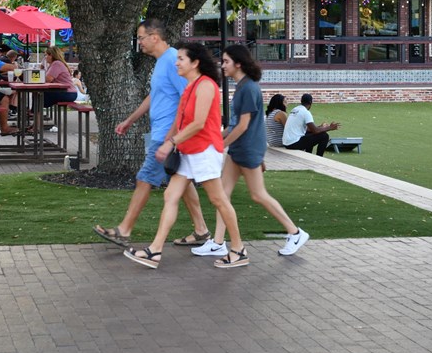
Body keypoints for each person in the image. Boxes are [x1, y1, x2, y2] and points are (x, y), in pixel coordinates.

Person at [124, 42, 247, 269]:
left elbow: (199, 123)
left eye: (181, 59)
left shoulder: (206, 85)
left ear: (195, 62)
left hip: (204, 151)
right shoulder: (190, 86)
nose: (176, 63)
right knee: (170, 196)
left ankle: (238, 250)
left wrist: (171, 142)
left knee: (218, 200)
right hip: (187, 151)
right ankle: (155, 251)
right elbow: (180, 120)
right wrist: (168, 141)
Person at [94, 19, 210, 248]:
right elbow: (154, 95)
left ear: (154, 37)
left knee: (144, 178)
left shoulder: (174, 60)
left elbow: (187, 99)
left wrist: (171, 137)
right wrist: (130, 120)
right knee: (181, 182)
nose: (139, 42)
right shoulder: (161, 62)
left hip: (165, 136)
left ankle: (124, 231)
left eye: (141, 38)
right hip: (163, 134)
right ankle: (201, 231)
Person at [192, 46, 308, 258]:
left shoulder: (248, 88)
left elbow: (243, 126)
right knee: (222, 195)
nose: (222, 65)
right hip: (239, 148)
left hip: (247, 148)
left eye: (226, 61)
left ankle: (295, 233)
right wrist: (215, 139)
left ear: (238, 63)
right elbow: (234, 125)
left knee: (258, 194)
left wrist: (221, 145)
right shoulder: (242, 87)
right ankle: (218, 243)